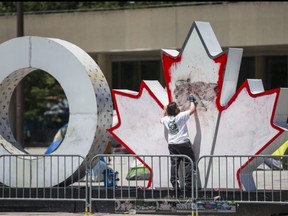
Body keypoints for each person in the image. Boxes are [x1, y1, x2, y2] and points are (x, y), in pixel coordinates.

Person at [160, 95, 197, 197]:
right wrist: (192, 101)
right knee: (188, 163)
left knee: (174, 165)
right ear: (176, 109)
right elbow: (192, 109)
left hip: (172, 145)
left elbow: (161, 118)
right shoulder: (181, 116)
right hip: (183, 143)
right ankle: (188, 186)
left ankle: (175, 186)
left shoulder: (166, 119)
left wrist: (165, 110)